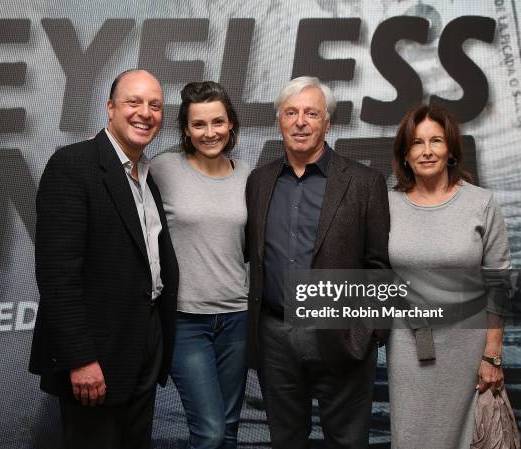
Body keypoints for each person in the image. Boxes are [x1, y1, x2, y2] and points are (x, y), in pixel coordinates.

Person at [29, 69, 179, 449]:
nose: (145, 113)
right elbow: (57, 275)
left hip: (143, 341)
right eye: (134, 102)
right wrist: (80, 359)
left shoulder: (146, 175)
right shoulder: (73, 166)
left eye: (155, 105)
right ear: (109, 108)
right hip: (96, 354)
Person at [245, 76, 391, 449]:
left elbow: (378, 264)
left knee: (347, 441)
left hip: (341, 334)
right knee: (286, 440)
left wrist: (367, 331)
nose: (300, 121)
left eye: (312, 113)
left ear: (328, 122)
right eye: (291, 112)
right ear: (279, 119)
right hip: (275, 336)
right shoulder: (259, 182)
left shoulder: (364, 182)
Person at [386, 104, 511, 449]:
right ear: (405, 154)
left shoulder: (482, 204)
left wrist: (492, 355)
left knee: (466, 439)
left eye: (436, 141)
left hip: (469, 350)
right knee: (411, 438)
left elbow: (499, 284)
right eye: (416, 143)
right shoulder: (387, 204)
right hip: (409, 346)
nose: (426, 151)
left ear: (451, 150)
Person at [150, 81, 249, 449]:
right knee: (209, 433)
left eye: (218, 122)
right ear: (186, 130)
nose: (210, 133)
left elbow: (246, 244)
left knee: (230, 428)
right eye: (199, 124)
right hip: (186, 321)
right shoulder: (162, 169)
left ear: (231, 124)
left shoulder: (247, 175)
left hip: (237, 319)